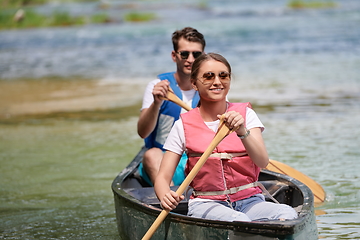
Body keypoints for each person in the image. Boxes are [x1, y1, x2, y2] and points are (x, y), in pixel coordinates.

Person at [154, 53, 298, 222]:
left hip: (250, 201)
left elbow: (262, 162)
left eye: (223, 76)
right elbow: (162, 178)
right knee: (239, 221)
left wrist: (242, 131)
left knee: (287, 214)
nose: (217, 82)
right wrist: (165, 195)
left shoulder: (246, 115)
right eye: (208, 77)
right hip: (206, 203)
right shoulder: (182, 125)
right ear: (194, 83)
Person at [137, 27, 206, 186]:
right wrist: (156, 103)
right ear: (174, 56)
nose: (190, 59)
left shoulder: (211, 88)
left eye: (196, 54)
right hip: (162, 160)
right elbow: (142, 132)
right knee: (151, 154)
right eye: (184, 54)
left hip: (196, 161)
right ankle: (169, 197)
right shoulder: (157, 86)